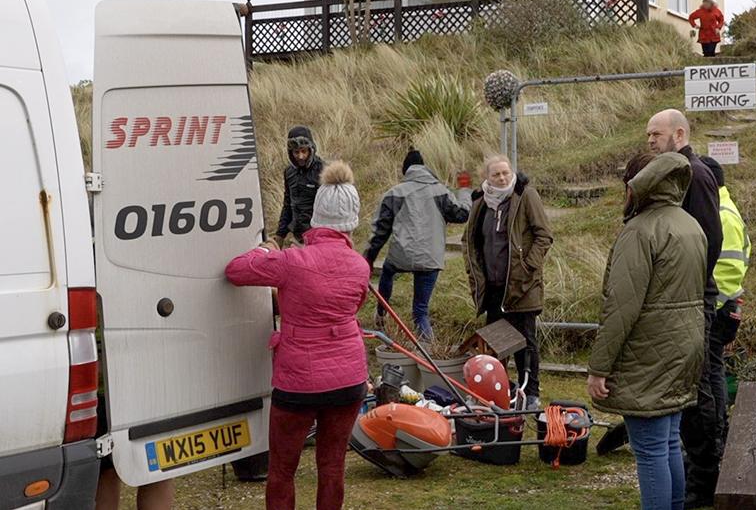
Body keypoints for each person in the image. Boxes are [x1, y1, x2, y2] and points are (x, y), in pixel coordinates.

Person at [226, 161, 369, 510]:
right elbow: (355, 305)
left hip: (299, 381)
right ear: (352, 219)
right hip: (349, 377)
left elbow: (235, 271)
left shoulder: (291, 260)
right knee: (332, 467)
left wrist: (264, 248)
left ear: (317, 214)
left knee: (282, 470)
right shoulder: (360, 266)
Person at [587, 152, 706, 510]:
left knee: (651, 450)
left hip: (647, 352)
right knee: (668, 442)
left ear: (636, 185)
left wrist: (599, 367)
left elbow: (621, 308)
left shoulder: (639, 232)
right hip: (684, 348)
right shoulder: (690, 224)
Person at [646, 109, 723, 507]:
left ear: (679, 134)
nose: (650, 141)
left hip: (694, 297)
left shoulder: (695, 174)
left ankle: (702, 480)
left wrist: (687, 287)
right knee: (696, 383)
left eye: (656, 134)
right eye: (647, 136)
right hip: (684, 296)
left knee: (698, 386)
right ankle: (699, 474)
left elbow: (709, 238)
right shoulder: (677, 173)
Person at [462, 155, 553, 409]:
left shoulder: (526, 196)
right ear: (487, 177)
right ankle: (498, 392)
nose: (502, 178)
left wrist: (527, 268)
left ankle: (531, 393)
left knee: (526, 342)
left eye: (505, 173)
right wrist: (474, 274)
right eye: (496, 174)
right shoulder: (480, 201)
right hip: (492, 288)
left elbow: (544, 235)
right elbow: (469, 242)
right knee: (495, 344)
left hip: (522, 286)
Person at [365, 149, 472, 340]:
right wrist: (464, 187)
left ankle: (382, 311)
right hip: (430, 259)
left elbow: (379, 232)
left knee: (388, 270)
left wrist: (369, 259)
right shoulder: (440, 191)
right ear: (425, 169)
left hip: (401, 255)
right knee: (420, 311)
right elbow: (462, 214)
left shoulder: (394, 193)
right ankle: (428, 355)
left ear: (405, 171)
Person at [700, 156, 751, 439]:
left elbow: (730, 268)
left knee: (712, 368)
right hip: (724, 304)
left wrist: (711, 304)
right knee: (712, 365)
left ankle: (717, 428)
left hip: (720, 307)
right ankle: (717, 426)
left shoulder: (721, 214)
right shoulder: (721, 208)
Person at [273, 126, 325, 248]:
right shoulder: (289, 172)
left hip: (318, 238)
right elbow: (287, 204)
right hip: (297, 236)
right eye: (296, 152)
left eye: (303, 151)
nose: (300, 156)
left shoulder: (323, 171)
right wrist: (280, 234)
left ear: (310, 150)